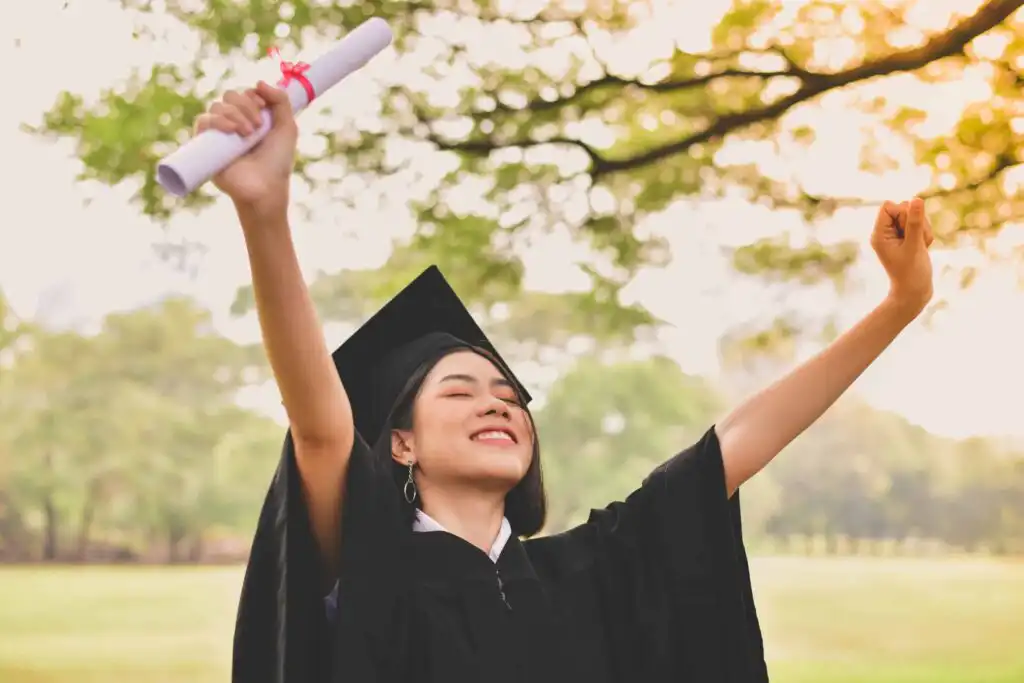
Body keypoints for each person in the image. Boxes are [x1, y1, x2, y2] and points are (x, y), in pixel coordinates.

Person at [199, 82, 935, 683]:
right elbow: (321, 422)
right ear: (399, 442)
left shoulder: (588, 570)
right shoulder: (371, 574)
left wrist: (898, 308)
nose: (496, 400)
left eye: (509, 395)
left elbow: (737, 441)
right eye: (458, 390)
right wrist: (266, 212)